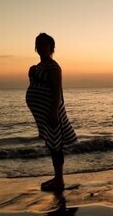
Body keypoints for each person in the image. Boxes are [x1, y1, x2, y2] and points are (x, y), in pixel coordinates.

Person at [26, 33, 77, 191]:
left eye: (44, 44)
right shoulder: (37, 67)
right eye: (38, 44)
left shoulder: (54, 67)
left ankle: (59, 180)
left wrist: (54, 112)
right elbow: (37, 87)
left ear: (51, 47)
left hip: (53, 112)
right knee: (52, 145)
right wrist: (32, 73)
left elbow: (57, 91)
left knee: (56, 145)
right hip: (45, 113)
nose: (41, 46)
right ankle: (57, 177)